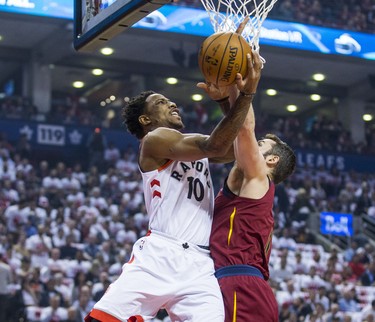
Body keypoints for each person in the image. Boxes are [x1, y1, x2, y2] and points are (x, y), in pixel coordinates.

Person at [85, 28, 262, 322]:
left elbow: (236, 148)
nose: (172, 104)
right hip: (160, 254)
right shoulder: (154, 139)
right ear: (146, 120)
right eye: (161, 103)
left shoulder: (190, 147)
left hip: (200, 264)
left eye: (170, 101)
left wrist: (227, 96)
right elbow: (215, 144)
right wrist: (245, 93)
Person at [209, 71, 296, 321]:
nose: (250, 145)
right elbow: (240, 129)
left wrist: (238, 83)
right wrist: (227, 98)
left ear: (271, 160)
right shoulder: (245, 183)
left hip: (240, 286)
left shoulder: (259, 178)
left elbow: (244, 128)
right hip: (231, 282)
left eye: (260, 145)